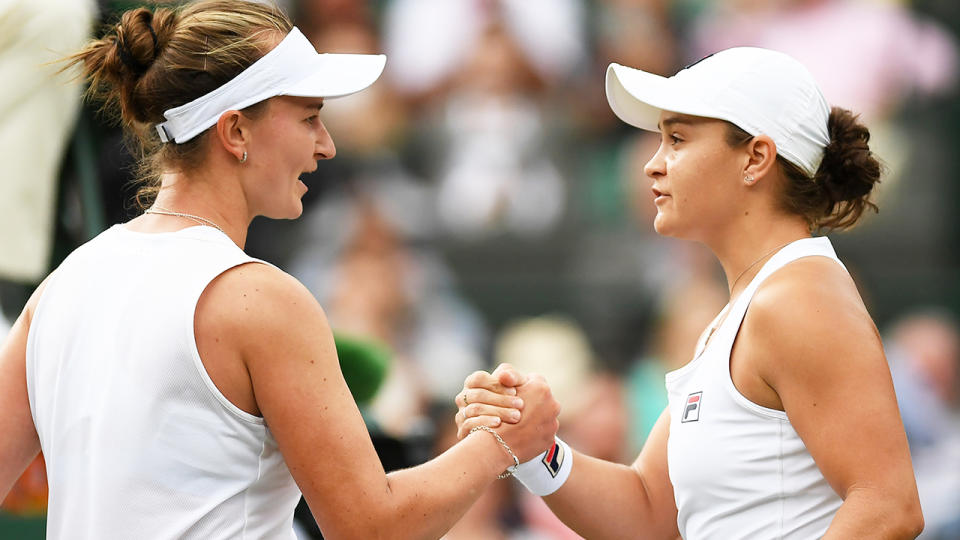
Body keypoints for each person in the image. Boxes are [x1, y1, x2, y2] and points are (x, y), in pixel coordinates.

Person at [0, 1, 561, 538]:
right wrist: (503, 442)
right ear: (236, 131)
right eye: (310, 118)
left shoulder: (60, 286)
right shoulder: (261, 300)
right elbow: (371, 528)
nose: (328, 146)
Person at [456, 47, 924, 538]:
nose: (652, 166)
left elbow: (888, 507)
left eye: (677, 139)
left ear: (755, 158)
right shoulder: (745, 312)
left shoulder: (798, 300)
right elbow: (648, 510)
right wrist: (536, 450)